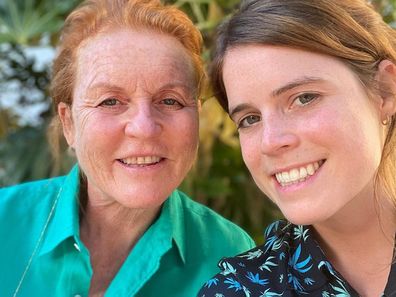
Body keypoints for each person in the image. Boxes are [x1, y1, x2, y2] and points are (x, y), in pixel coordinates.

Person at [0, 0, 256, 296]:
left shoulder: (231, 256)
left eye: (170, 100)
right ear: (69, 124)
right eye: (110, 101)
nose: (144, 127)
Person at [198, 0, 396, 296]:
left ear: (385, 89)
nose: (270, 142)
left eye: (304, 98)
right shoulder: (240, 290)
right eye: (250, 119)